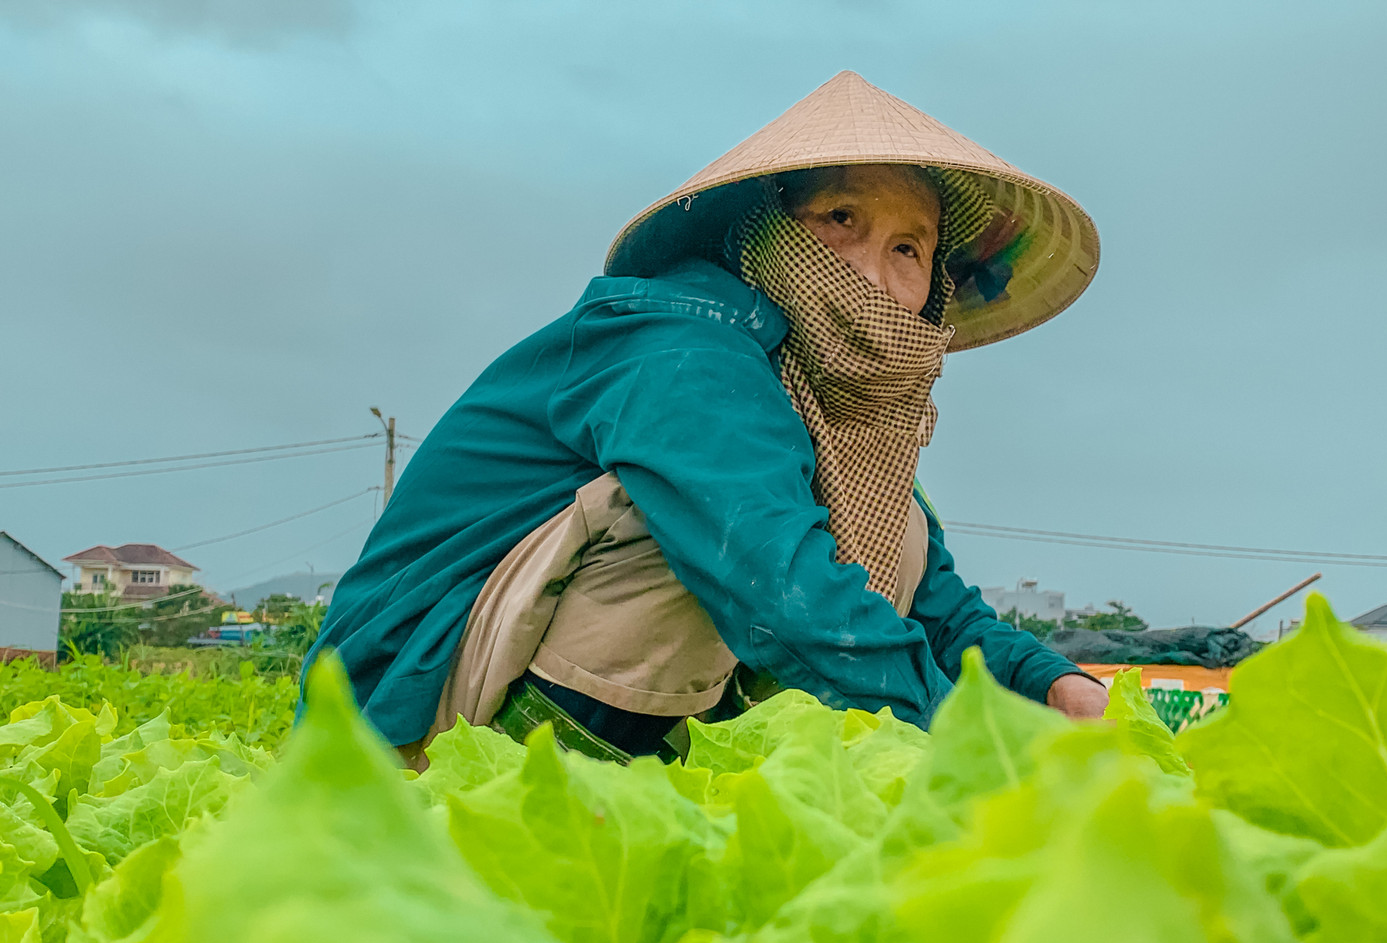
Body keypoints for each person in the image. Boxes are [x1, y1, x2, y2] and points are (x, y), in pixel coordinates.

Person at [304, 71, 1109, 770]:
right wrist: (970, 751)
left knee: (894, 529)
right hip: (410, 709)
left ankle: (703, 788)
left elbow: (937, 606)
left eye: (908, 248)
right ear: (766, 228)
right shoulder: (681, 344)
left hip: (526, 666)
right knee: (703, 535)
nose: (870, 272)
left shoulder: (846, 421)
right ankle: (577, 799)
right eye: (840, 218)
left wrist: (1050, 682)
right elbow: (780, 585)